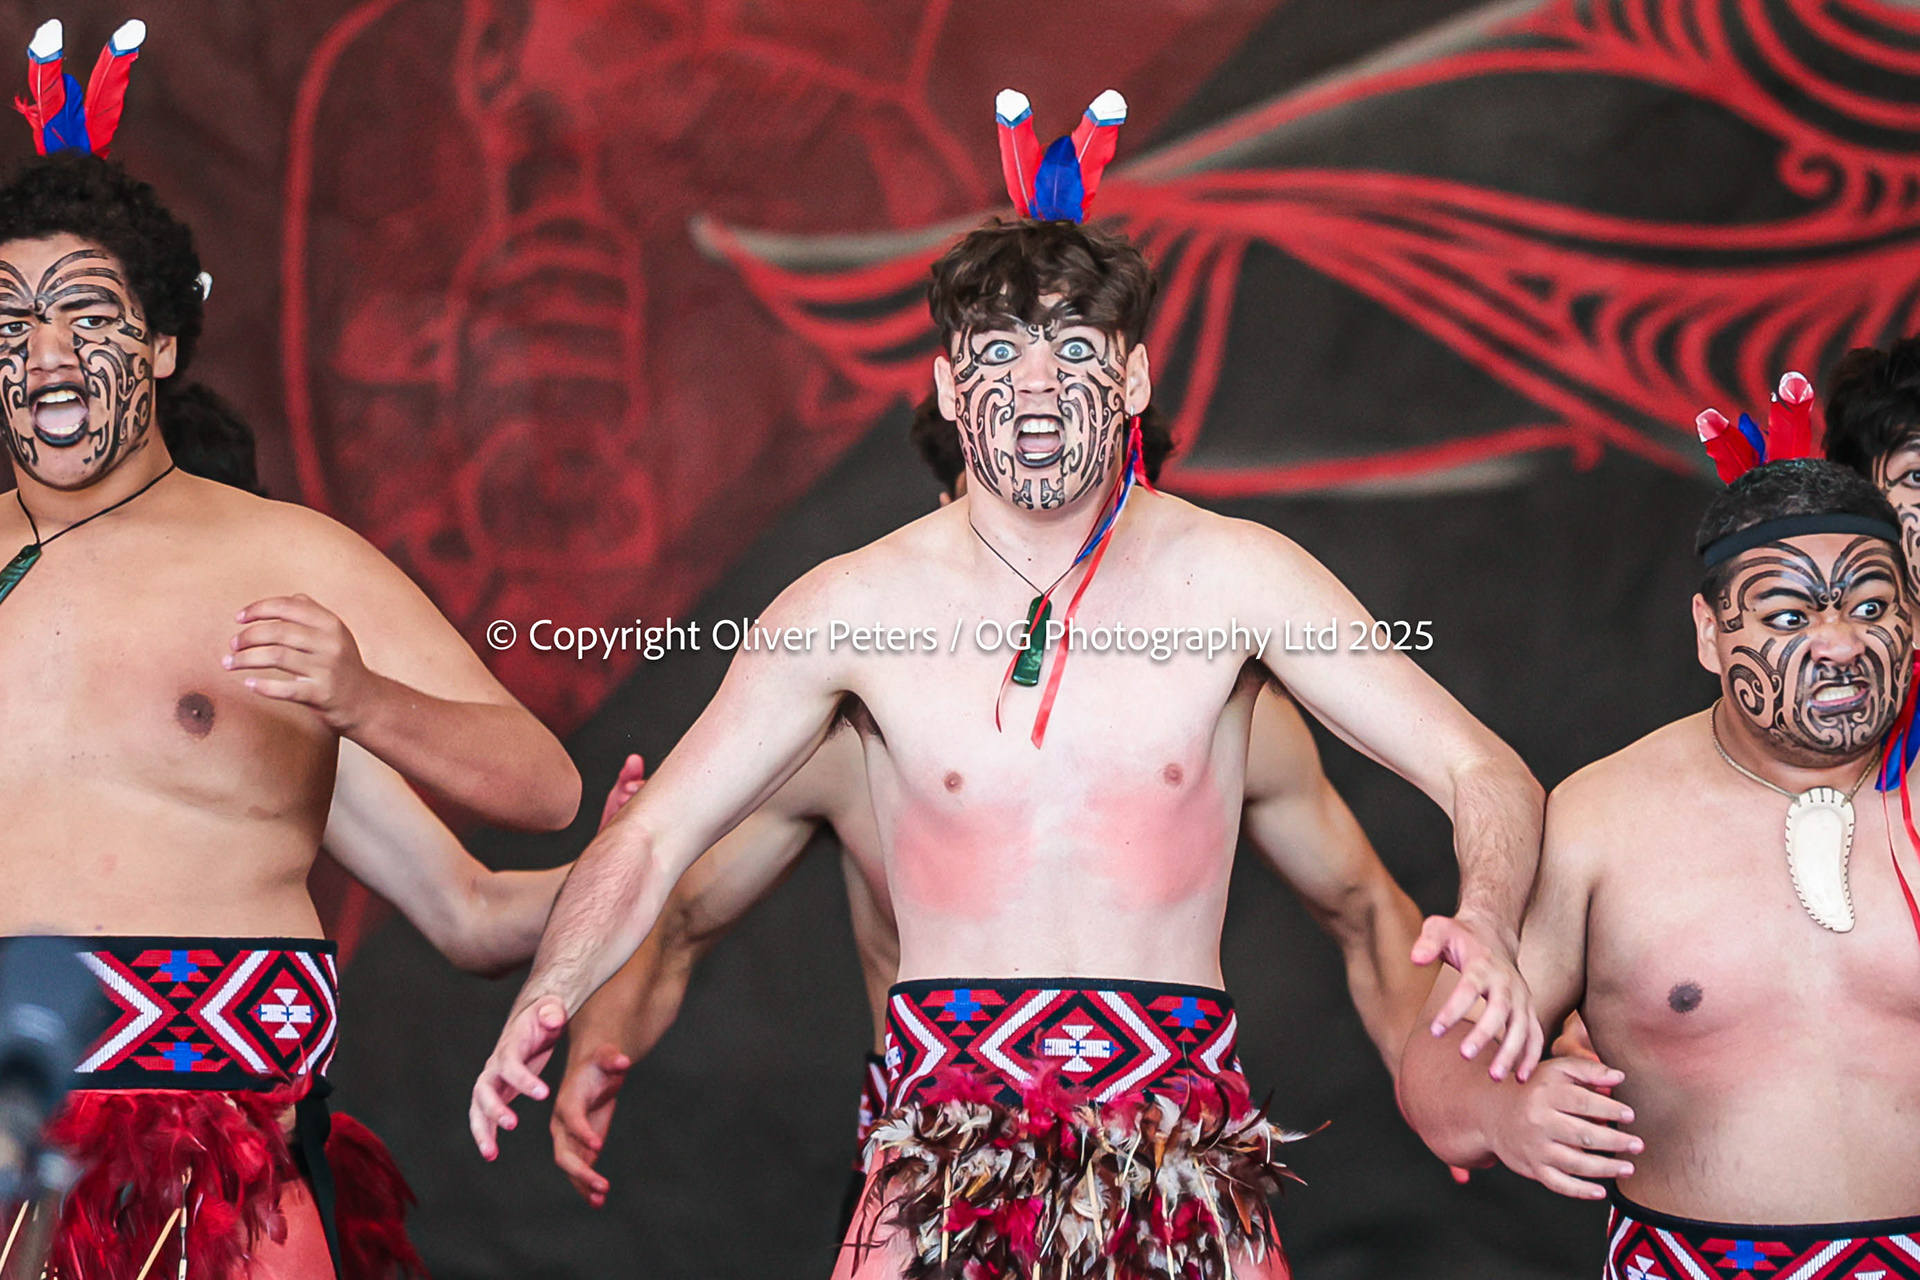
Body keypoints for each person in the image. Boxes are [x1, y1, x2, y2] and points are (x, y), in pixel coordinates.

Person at [474, 92, 1544, 1279]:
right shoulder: (850, 608)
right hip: (938, 1162)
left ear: (1133, 380)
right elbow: (655, 840)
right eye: (998, 350)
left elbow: (1482, 768)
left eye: (1075, 347)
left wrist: (1492, 920)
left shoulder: (1241, 580)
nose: (1036, 380)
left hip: (1180, 1153)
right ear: (947, 385)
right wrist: (552, 991)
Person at [547, 398, 1436, 1228]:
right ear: (951, 509)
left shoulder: (1237, 724)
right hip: (936, 1184)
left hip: (1162, 1178)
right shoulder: (848, 730)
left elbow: (1366, 911)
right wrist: (600, 1039)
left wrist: (1444, 1079)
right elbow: (677, 912)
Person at [0, 125, 578, 1280]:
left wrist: (364, 696)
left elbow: (543, 785)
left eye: (86, 314)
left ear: (162, 344)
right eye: (10, 321)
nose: (45, 350)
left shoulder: (291, 553)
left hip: (222, 1159)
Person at [1400, 400, 1920, 1276]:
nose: (1839, 643)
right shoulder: (1600, 818)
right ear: (1711, 634)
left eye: (1871, 606)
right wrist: (1503, 1114)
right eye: (1788, 618)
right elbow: (1435, 1078)